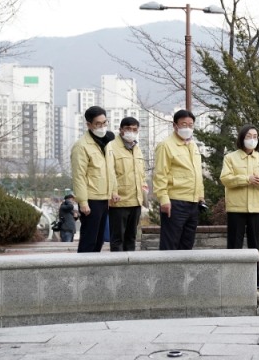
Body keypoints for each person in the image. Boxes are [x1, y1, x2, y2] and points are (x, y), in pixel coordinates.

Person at [220, 124, 259, 288]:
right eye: (249, 136)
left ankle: (256, 279)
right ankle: (231, 280)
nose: (252, 139)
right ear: (241, 138)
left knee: (255, 245)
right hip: (236, 208)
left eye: (255, 136)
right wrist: (246, 179)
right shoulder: (230, 158)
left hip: (257, 208)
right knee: (234, 245)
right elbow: (225, 179)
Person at [153, 109, 205, 250]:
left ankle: (182, 273)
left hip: (193, 202)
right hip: (175, 202)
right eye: (183, 124)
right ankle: (167, 272)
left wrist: (201, 196)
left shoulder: (193, 145)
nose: (187, 128)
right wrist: (163, 199)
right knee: (170, 244)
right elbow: (160, 174)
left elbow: (197, 173)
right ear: (175, 125)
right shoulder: (166, 145)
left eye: (190, 125)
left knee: (187, 245)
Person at [71, 106, 119, 253]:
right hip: (91, 199)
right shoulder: (82, 146)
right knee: (89, 240)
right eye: (98, 123)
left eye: (105, 122)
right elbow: (79, 176)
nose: (103, 126)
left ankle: (94, 272)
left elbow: (111, 170)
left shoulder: (107, 143)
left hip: (104, 198)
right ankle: (83, 272)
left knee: (99, 240)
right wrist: (83, 202)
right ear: (89, 125)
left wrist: (114, 191)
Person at [108, 117, 147, 252]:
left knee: (131, 237)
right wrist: (112, 192)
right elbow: (109, 173)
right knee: (117, 238)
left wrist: (144, 190)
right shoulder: (111, 147)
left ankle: (130, 270)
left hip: (136, 201)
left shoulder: (137, 148)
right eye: (128, 129)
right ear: (121, 130)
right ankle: (117, 269)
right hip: (119, 201)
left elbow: (141, 174)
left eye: (134, 129)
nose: (131, 132)